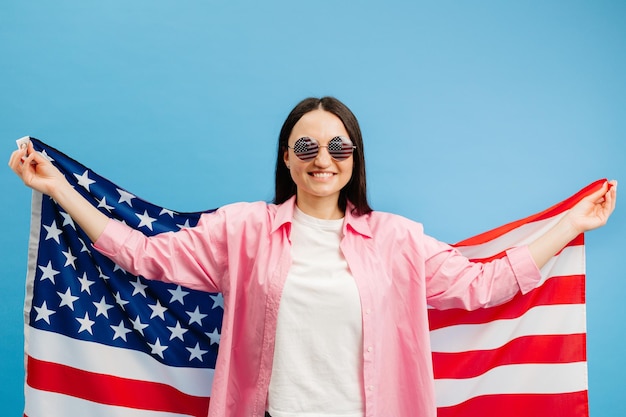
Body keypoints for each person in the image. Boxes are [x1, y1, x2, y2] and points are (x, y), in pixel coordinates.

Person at [9, 96, 617, 417]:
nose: (322, 157)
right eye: (306, 145)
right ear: (287, 158)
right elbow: (140, 254)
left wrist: (571, 224)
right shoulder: (243, 229)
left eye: (337, 145)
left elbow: (484, 287)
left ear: (354, 157)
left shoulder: (399, 239)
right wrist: (58, 188)